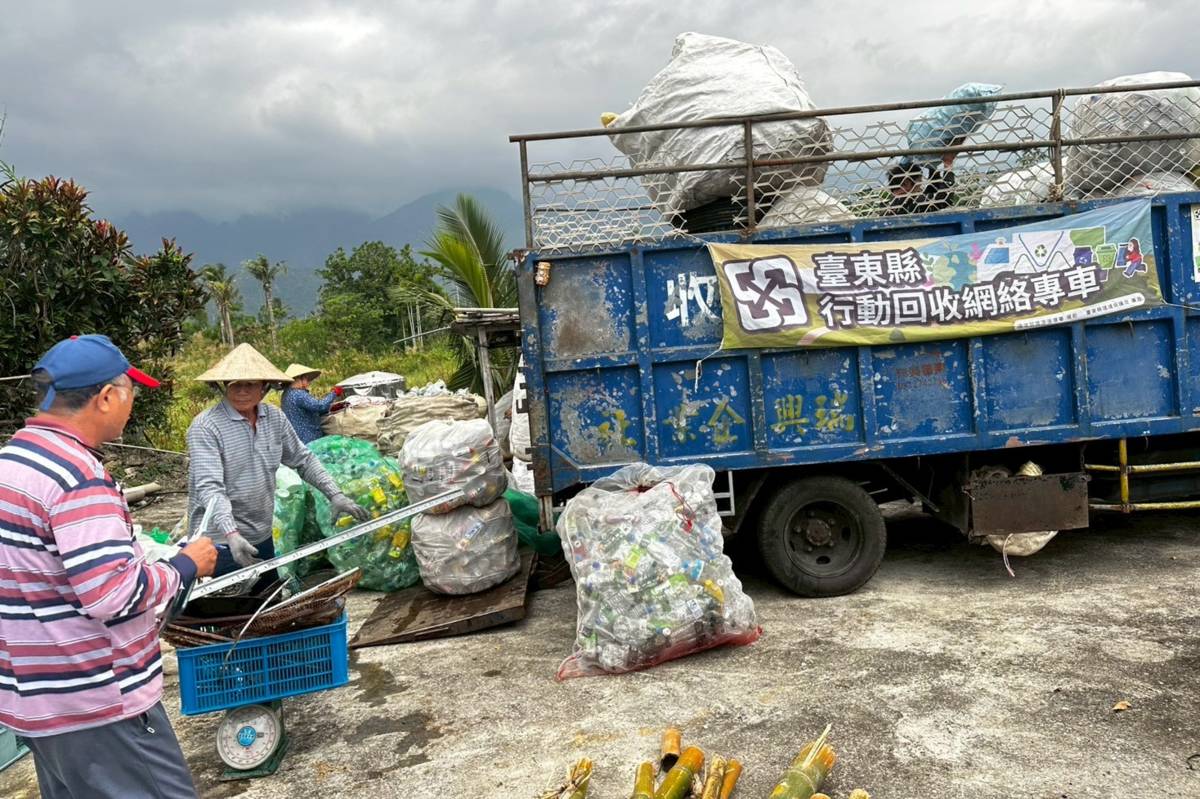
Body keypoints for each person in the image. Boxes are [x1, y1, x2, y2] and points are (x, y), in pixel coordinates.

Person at [0, 334, 218, 798]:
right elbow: (112, 594)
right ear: (105, 397)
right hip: (98, 702)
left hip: (35, 700)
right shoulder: (77, 476)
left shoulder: (13, 462)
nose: (131, 404)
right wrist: (184, 565)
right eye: (130, 391)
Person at [186, 344, 369, 578]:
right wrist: (231, 533)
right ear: (223, 386)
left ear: (264, 387)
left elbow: (303, 460)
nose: (242, 391)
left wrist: (335, 494)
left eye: (250, 384)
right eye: (234, 384)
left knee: (267, 596)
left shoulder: (273, 418)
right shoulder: (206, 427)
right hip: (217, 542)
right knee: (226, 600)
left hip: (261, 535)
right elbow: (209, 486)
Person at [280, 362, 344, 444]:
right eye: (306, 379)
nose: (308, 382)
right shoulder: (298, 394)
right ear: (299, 379)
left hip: (297, 438)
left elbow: (311, 410)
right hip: (308, 437)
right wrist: (334, 393)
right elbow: (320, 406)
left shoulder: (286, 394)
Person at [885, 153, 957, 216]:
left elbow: (929, 194)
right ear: (907, 182)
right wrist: (948, 164)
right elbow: (944, 198)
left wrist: (933, 170)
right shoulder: (906, 201)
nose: (921, 184)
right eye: (919, 181)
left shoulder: (896, 202)